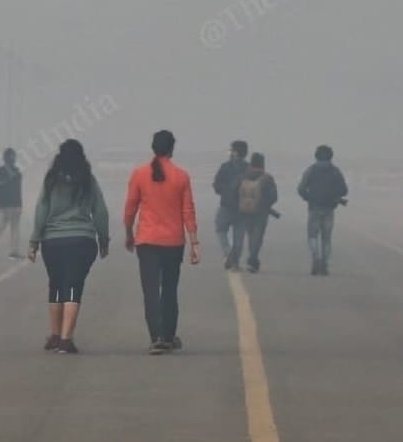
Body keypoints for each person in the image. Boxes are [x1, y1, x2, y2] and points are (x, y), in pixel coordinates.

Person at [28, 139, 110, 355]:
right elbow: (100, 210)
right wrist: (104, 239)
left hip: (52, 241)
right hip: (82, 240)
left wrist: (34, 241)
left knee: (56, 284)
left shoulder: (51, 180)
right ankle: (66, 339)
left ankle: (55, 336)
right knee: (74, 285)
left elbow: (41, 209)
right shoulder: (88, 180)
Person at [124, 130, 199, 355]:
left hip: (146, 241)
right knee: (169, 289)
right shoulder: (181, 176)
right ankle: (167, 336)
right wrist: (194, 243)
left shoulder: (139, 174)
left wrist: (129, 233)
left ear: (153, 148)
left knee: (150, 290)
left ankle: (156, 336)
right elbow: (188, 211)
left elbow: (130, 207)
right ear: (172, 149)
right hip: (173, 242)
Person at [298, 144, 348, 276]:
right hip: (329, 208)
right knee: (326, 238)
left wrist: (309, 197)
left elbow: (301, 188)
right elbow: (344, 190)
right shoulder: (335, 171)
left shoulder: (311, 170)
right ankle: (324, 264)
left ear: (316, 156)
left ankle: (315, 258)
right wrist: (334, 196)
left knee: (312, 236)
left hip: (314, 208)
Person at [226, 152, 279, 273]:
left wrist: (238, 205)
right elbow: (274, 196)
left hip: (243, 211)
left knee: (243, 235)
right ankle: (252, 261)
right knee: (256, 237)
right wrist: (265, 205)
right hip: (261, 212)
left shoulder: (242, 176)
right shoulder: (267, 178)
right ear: (263, 164)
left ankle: (235, 260)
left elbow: (233, 192)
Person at [212, 140, 249, 265]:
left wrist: (224, 192)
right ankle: (235, 259)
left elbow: (216, 185)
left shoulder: (225, 167)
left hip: (226, 205)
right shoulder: (249, 168)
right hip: (244, 207)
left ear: (236, 153)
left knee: (220, 229)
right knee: (239, 235)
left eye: (231, 150)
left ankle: (228, 252)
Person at [0, 148, 24, 261]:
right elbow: (18, 189)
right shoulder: (17, 172)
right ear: (14, 159)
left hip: (1, 204)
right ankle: (13, 251)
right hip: (14, 204)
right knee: (15, 228)